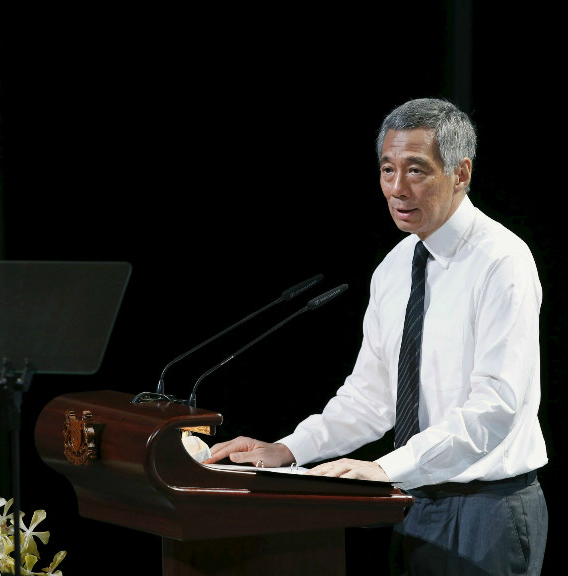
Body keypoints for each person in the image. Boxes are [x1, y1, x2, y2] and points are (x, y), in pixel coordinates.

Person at [206, 97, 549, 576]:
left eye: (416, 171)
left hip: (484, 508)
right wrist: (288, 450)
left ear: (461, 173)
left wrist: (389, 467)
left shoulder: (501, 262)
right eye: (388, 170)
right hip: (411, 500)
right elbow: (370, 398)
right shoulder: (395, 267)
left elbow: (497, 406)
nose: (397, 189)